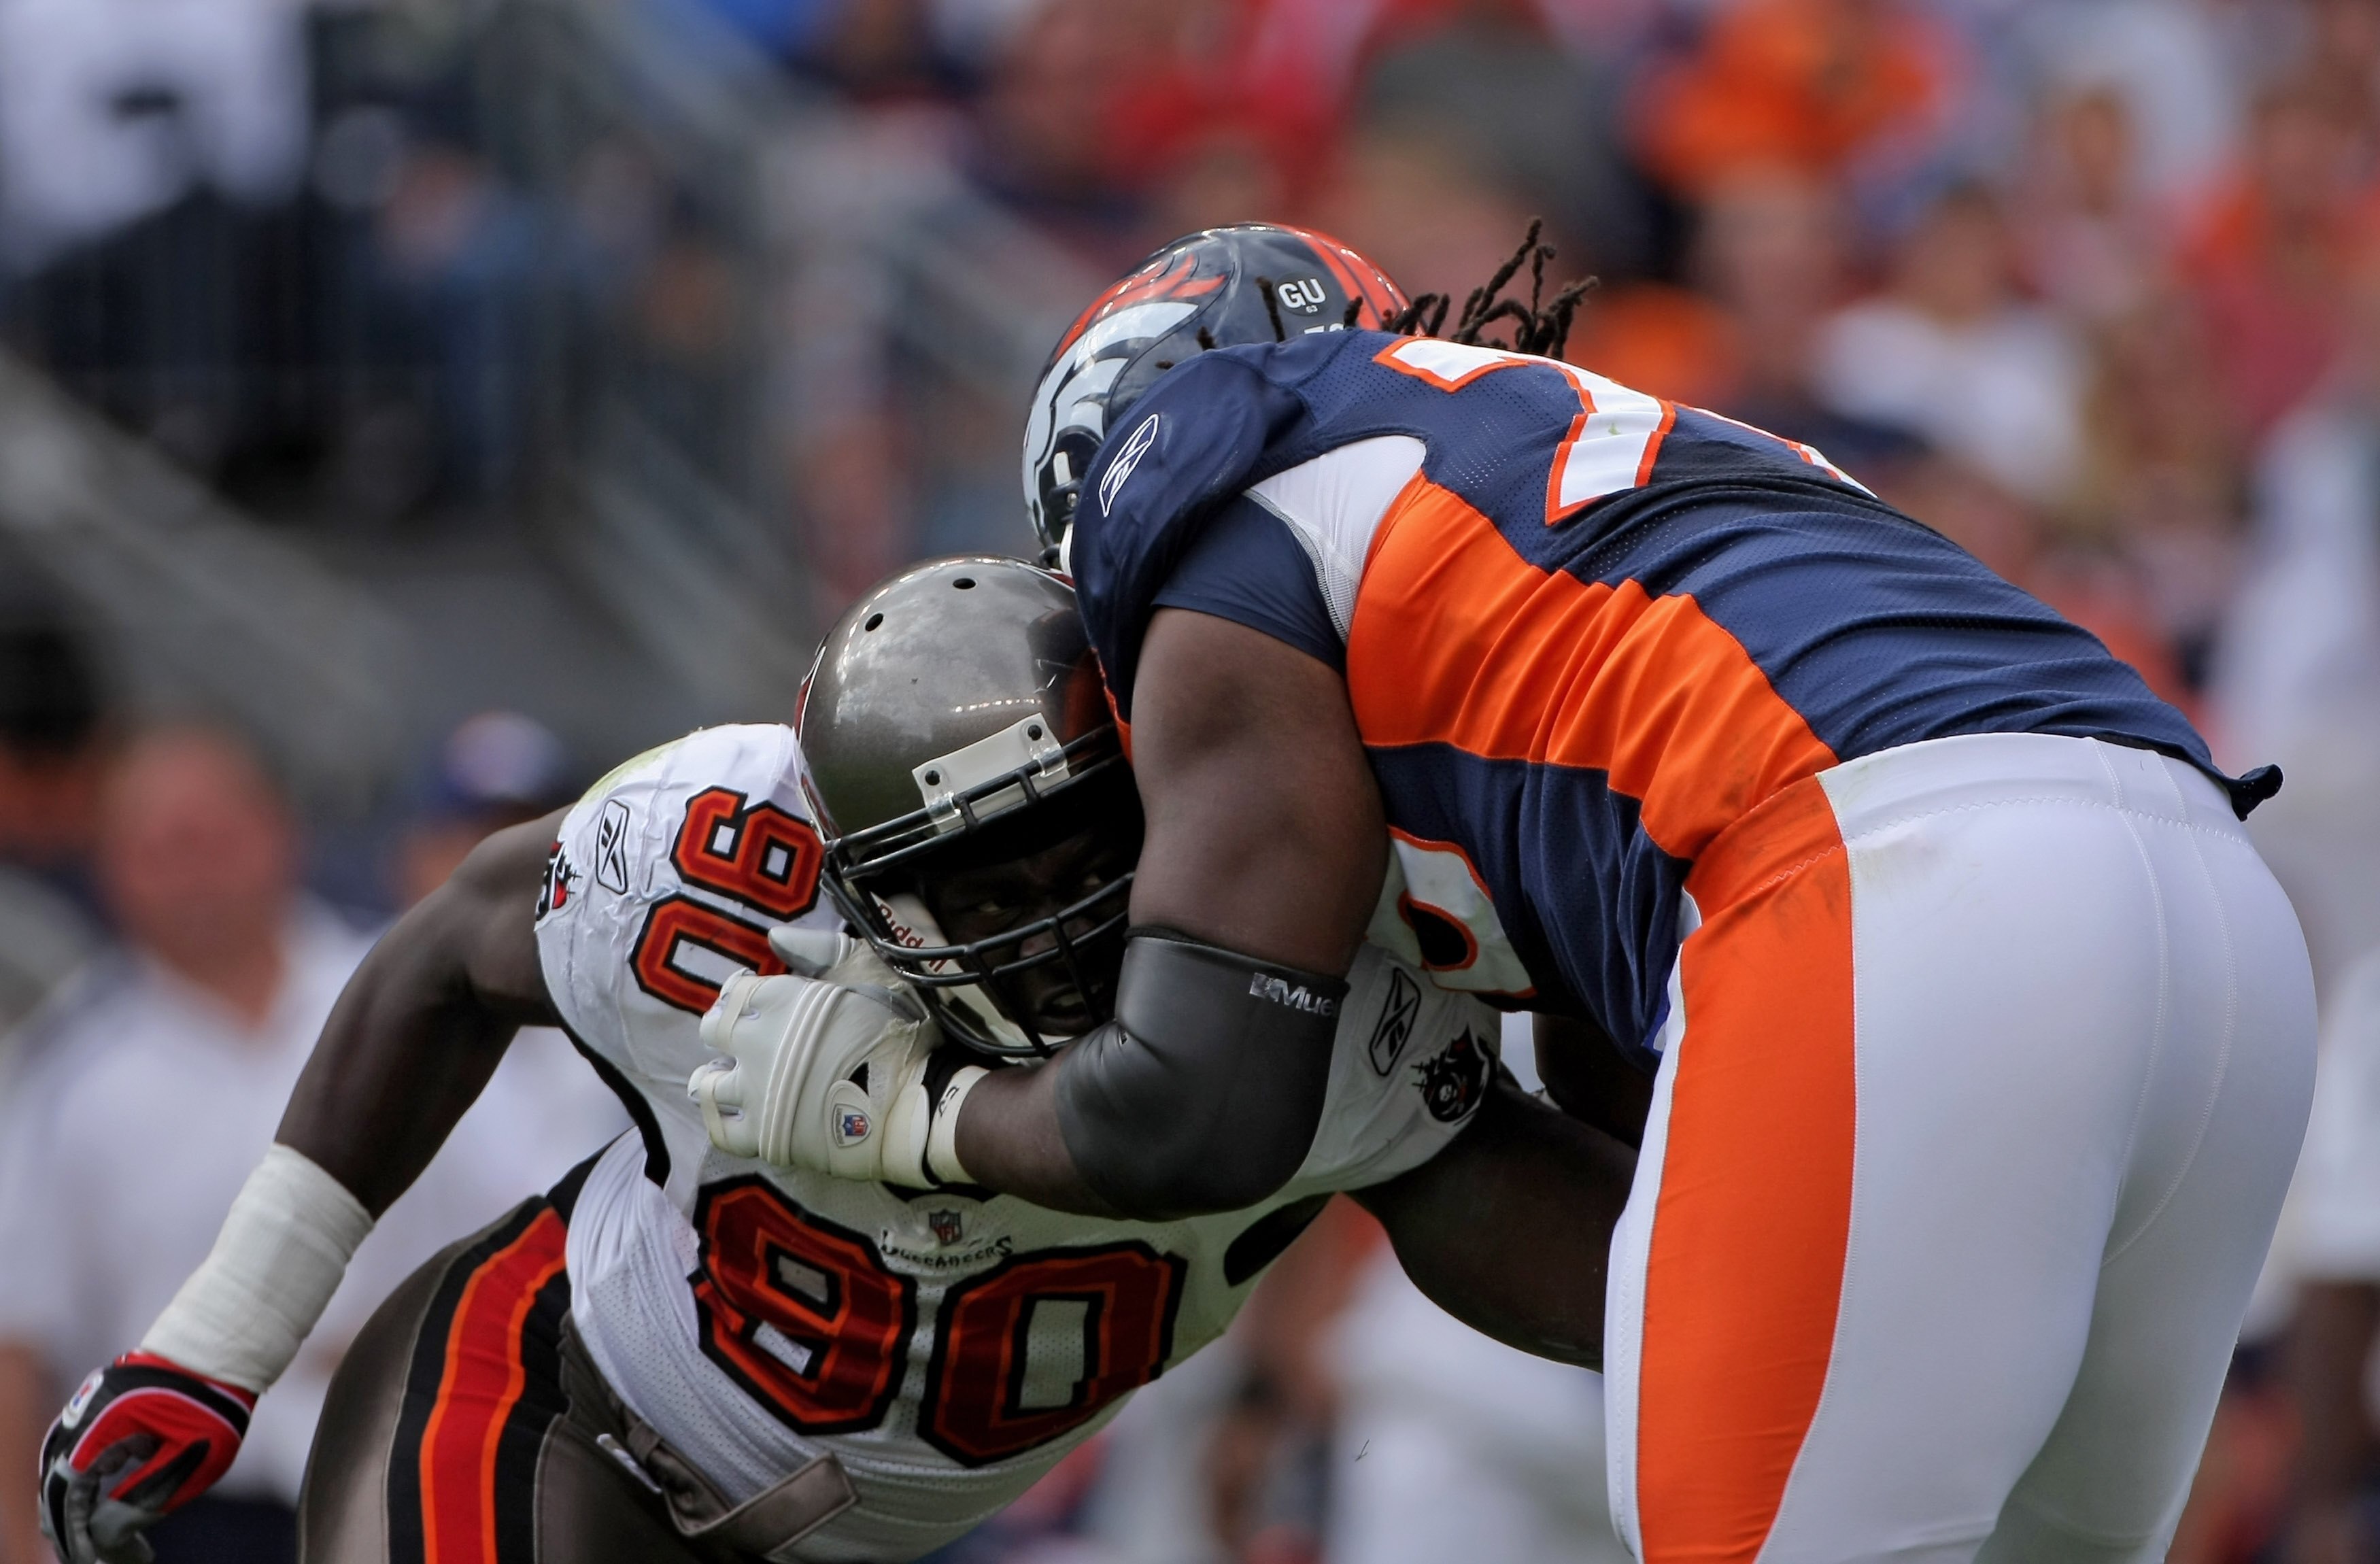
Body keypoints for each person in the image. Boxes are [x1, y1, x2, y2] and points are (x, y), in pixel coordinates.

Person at [815, 222, 2304, 1561]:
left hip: (1888, 883)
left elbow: (1200, 1100)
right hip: (2213, 915)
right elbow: (1647, 1135)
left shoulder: (1218, 492)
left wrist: (905, 1118)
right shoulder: (1605, 479)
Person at [34, 561, 1629, 1564]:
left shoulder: (1306, 1001)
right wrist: (216, 1341)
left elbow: (1623, 1274)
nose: (1053, 925)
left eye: (1085, 852)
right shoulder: (720, 867)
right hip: (562, 1402)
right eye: (984, 887)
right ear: (850, 879)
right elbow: (447, 951)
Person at [0, 726, 615, 1564]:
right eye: (162, 845)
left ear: (279, 829)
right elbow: (21, 1340)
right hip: (188, 1513)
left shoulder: (414, 996)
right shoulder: (67, 1075)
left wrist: (396, 1334)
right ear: (110, 864)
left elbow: (539, 1222)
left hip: (413, 1471)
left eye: (213, 835)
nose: (196, 870)